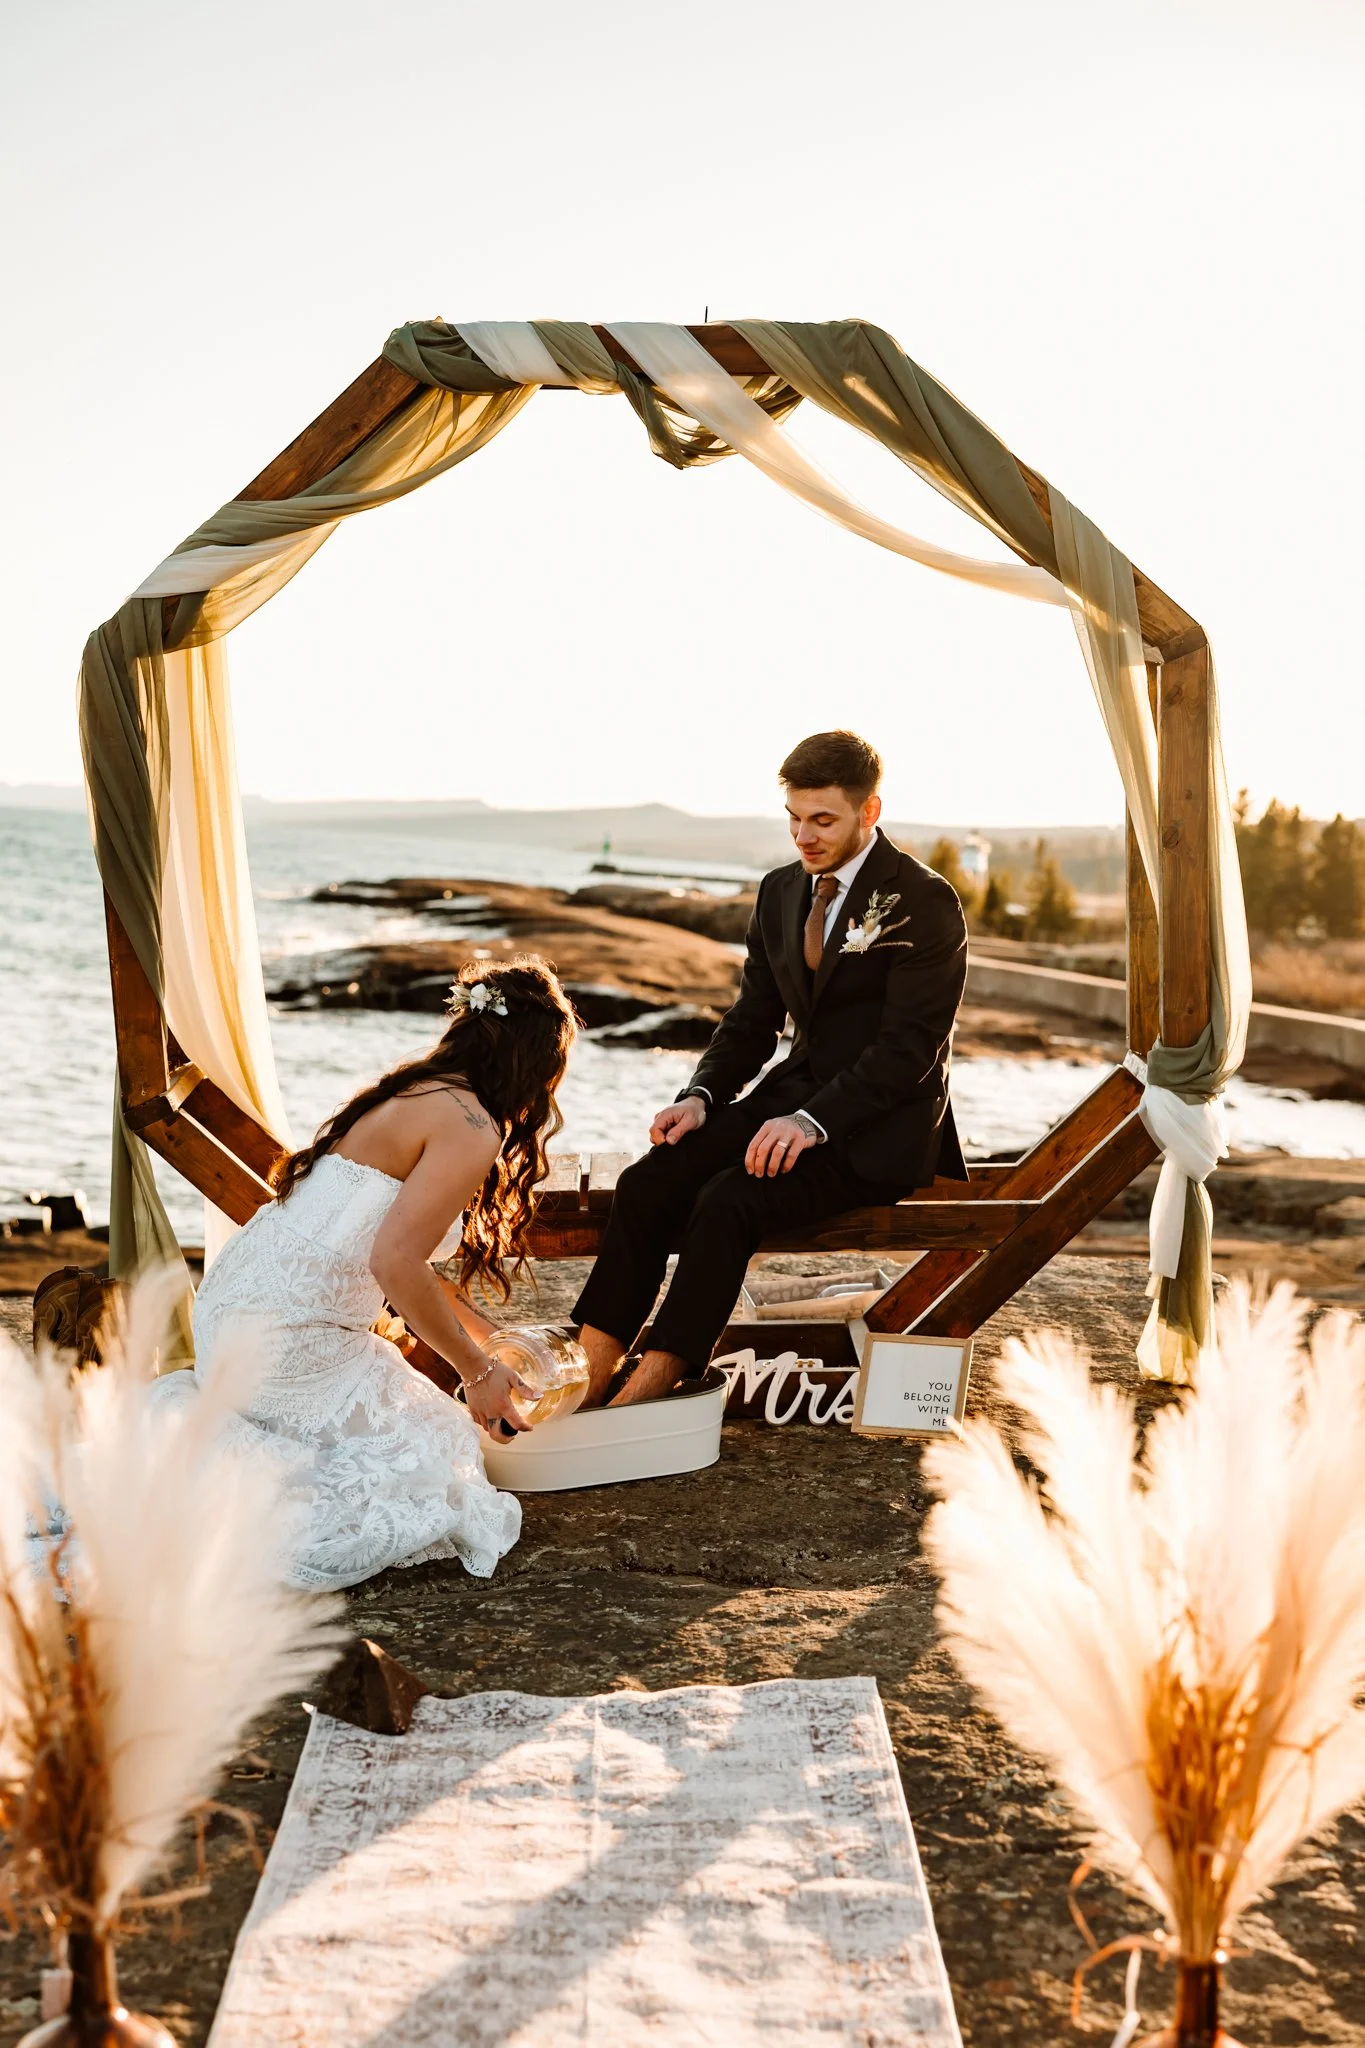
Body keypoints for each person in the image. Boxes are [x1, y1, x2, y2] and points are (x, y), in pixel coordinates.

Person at [149, 958, 577, 1591]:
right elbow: (394, 1264)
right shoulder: (471, 1126)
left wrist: (491, 1340)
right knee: (439, 1468)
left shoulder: (417, 1090)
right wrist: (478, 1374)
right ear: (535, 1060)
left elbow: (409, 1262)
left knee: (414, 1441)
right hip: (287, 1341)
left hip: (232, 1313)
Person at [574, 730, 968, 1409]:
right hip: (787, 1100)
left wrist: (813, 1122)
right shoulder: (780, 891)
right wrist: (700, 1095)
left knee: (729, 1199)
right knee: (649, 1180)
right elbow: (753, 1016)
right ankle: (589, 1367)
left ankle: (657, 1380)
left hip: (877, 1128)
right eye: (792, 817)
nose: (803, 835)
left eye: (822, 820)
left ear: (868, 812)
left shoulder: (924, 901)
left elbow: (910, 1048)